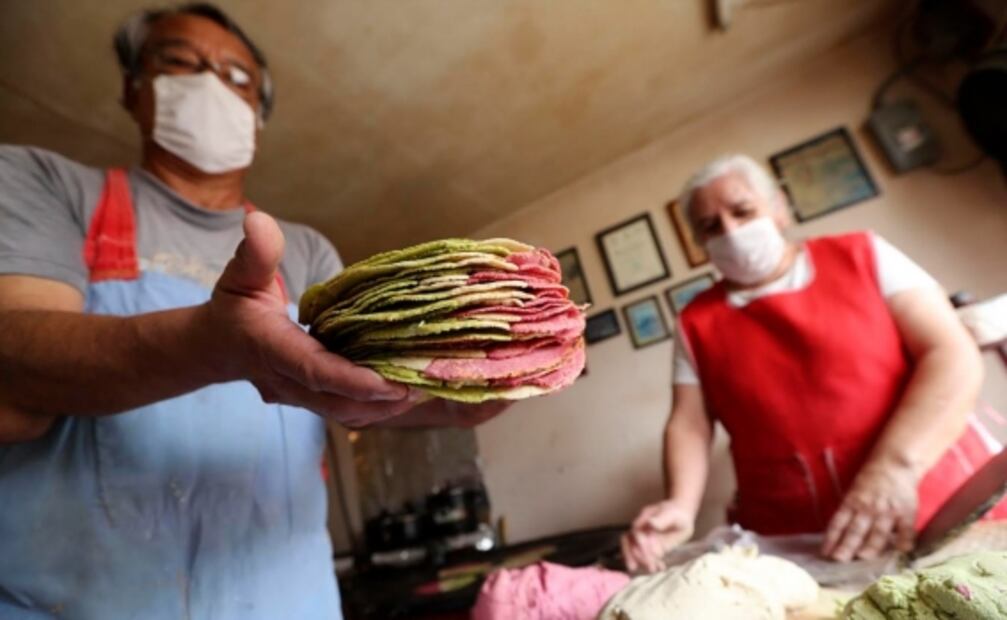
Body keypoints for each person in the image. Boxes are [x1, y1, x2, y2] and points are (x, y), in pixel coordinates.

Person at [0, 4, 505, 618]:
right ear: (136, 89)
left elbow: (364, 390)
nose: (211, 83)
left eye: (237, 78)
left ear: (257, 120)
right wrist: (209, 345)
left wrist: (463, 392)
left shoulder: (309, 251)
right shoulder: (45, 186)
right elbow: (14, 385)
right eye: (182, 62)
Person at [622, 154, 1006, 572]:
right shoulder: (694, 322)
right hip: (797, 544)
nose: (730, 231)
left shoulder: (862, 253)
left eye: (743, 211)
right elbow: (690, 424)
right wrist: (680, 504)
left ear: (780, 208)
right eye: (710, 227)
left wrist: (895, 469)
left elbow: (951, 353)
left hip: (938, 501)